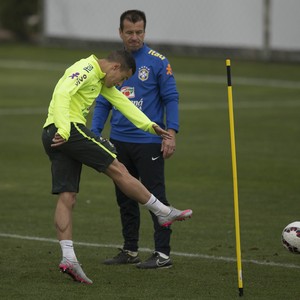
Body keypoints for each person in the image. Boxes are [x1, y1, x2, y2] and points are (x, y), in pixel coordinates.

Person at [42, 49, 192, 285]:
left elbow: (121, 101)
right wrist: (64, 128)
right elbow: (62, 93)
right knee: (118, 168)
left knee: (67, 196)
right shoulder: (87, 69)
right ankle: (162, 212)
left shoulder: (101, 80)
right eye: (122, 78)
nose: (120, 83)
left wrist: (150, 125)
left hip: (52, 134)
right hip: (67, 130)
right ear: (114, 67)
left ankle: (68, 258)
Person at [91, 10, 180, 269]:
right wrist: (96, 133)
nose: (134, 37)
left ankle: (162, 254)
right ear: (120, 33)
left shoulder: (157, 61)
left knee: (156, 196)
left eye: (139, 32)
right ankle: (130, 250)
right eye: (129, 32)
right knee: (125, 197)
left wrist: (171, 133)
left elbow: (171, 98)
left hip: (149, 142)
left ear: (145, 31)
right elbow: (102, 100)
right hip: (119, 141)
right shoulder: (113, 62)